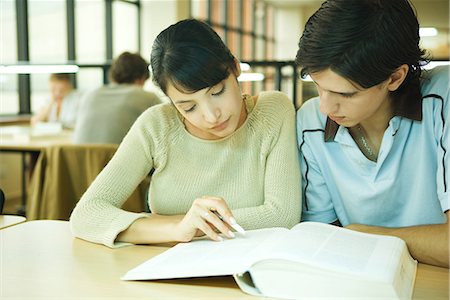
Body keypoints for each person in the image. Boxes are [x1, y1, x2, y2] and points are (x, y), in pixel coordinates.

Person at [70, 19, 301, 248]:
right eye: (188, 107)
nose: (211, 116)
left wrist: (192, 225)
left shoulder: (272, 111)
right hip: (166, 268)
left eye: (218, 92)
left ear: (235, 67)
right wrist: (178, 229)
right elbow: (86, 214)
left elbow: (282, 215)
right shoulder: (157, 125)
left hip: (246, 269)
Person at [295, 0, 449, 267]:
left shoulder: (443, 98)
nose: (325, 106)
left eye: (346, 94)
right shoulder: (311, 121)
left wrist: (369, 236)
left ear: (394, 78)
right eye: (318, 86)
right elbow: (320, 243)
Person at [73, 52, 161, 144]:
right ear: (142, 78)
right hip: (118, 157)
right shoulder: (147, 97)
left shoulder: (90, 95)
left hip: (81, 157)